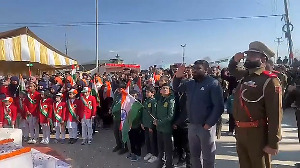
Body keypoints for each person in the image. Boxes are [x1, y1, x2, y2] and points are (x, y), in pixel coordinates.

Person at [228, 41, 283, 168]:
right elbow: (232, 70)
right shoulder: (245, 75)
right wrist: (234, 59)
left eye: (253, 55)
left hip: (257, 133)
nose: (248, 58)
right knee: (244, 165)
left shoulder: (269, 81)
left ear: (263, 58)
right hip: (240, 131)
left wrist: (273, 142)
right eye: (248, 55)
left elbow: (275, 114)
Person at [173, 60, 224, 168]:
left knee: (208, 157)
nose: (195, 71)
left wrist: (209, 123)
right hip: (192, 125)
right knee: (194, 156)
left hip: (205, 127)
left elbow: (219, 107)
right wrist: (177, 77)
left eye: (198, 68)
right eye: (194, 68)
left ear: (206, 70)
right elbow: (176, 88)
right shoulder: (191, 83)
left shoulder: (213, 83)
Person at [153, 83, 175, 168]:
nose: (165, 89)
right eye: (163, 88)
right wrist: (155, 120)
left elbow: (170, 116)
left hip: (166, 128)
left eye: (167, 88)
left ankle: (169, 164)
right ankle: (161, 163)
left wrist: (159, 122)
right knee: (160, 148)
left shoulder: (171, 100)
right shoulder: (160, 99)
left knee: (168, 149)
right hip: (159, 128)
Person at [141, 86, 158, 163]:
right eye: (146, 92)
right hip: (145, 124)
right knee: (147, 140)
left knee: (152, 140)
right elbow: (143, 113)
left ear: (153, 93)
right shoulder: (146, 101)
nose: (146, 93)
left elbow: (154, 114)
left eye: (148, 92)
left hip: (151, 125)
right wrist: (142, 123)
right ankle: (149, 152)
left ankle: (155, 154)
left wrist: (151, 126)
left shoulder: (153, 101)